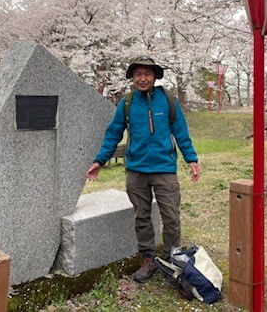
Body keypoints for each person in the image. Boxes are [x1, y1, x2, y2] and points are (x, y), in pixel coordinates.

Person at [86, 56, 200, 283]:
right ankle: (148, 259)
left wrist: (191, 159)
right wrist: (100, 160)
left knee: (171, 216)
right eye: (138, 74)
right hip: (136, 171)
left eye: (147, 74)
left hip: (164, 169)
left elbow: (181, 132)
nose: (142, 78)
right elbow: (113, 134)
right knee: (142, 216)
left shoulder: (167, 100)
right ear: (132, 78)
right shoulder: (127, 103)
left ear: (155, 76)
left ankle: (172, 258)